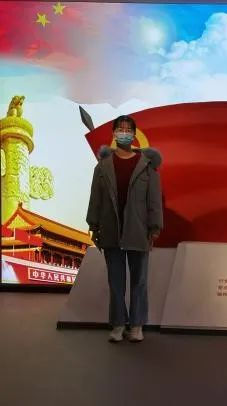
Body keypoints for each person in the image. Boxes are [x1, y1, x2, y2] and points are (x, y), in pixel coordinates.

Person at [86, 115, 163, 343]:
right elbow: (95, 199)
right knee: (115, 281)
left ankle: (137, 325)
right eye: (120, 129)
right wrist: (93, 225)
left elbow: (154, 201)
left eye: (128, 129)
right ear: (114, 134)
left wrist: (154, 227)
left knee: (139, 280)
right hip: (110, 230)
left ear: (134, 134)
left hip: (139, 231)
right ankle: (118, 324)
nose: (124, 132)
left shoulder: (147, 166)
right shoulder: (102, 166)